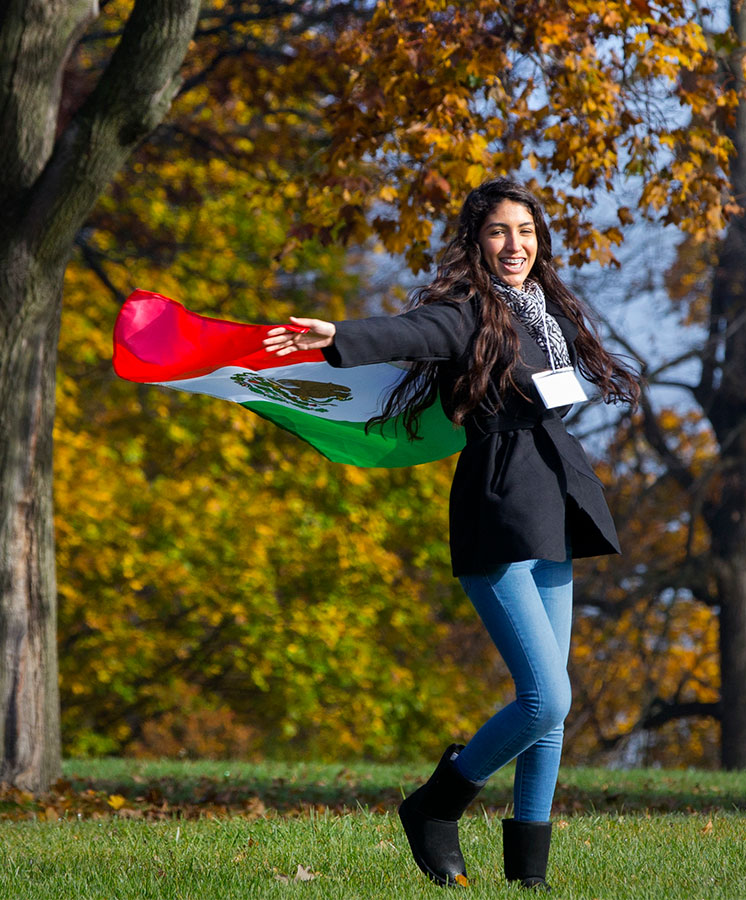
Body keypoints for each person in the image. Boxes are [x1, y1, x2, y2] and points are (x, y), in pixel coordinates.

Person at [261, 177, 638, 890]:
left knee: (552, 712)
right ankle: (436, 806)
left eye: (525, 231)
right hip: (497, 510)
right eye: (499, 231)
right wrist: (341, 336)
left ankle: (530, 879)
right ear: (476, 241)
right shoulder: (471, 313)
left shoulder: (551, 313)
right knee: (544, 698)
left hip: (554, 507)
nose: (514, 245)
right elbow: (414, 332)